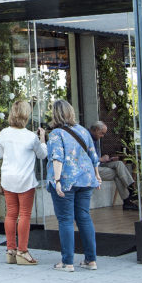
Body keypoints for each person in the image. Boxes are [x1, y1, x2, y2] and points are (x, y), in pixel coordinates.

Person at [46, 99, 101, 271]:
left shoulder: (56, 133)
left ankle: (67, 262)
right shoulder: (83, 131)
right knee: (84, 217)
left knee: (65, 220)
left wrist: (56, 181)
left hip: (66, 182)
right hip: (86, 180)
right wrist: (97, 177)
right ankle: (91, 260)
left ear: (54, 114)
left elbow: (57, 157)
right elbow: (94, 156)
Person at [0, 100, 47, 265]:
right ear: (26, 115)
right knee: (24, 215)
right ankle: (23, 251)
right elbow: (42, 155)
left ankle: (10, 250)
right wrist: (42, 139)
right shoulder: (31, 136)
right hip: (25, 180)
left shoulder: (4, 133)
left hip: (8, 178)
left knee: (11, 213)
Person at [88, 121, 137, 210]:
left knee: (119, 164)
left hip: (100, 164)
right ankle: (128, 199)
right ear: (96, 130)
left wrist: (108, 159)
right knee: (118, 174)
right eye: (102, 133)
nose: (102, 136)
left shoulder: (95, 139)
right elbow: (84, 158)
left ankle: (131, 190)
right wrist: (100, 159)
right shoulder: (86, 138)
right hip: (91, 169)